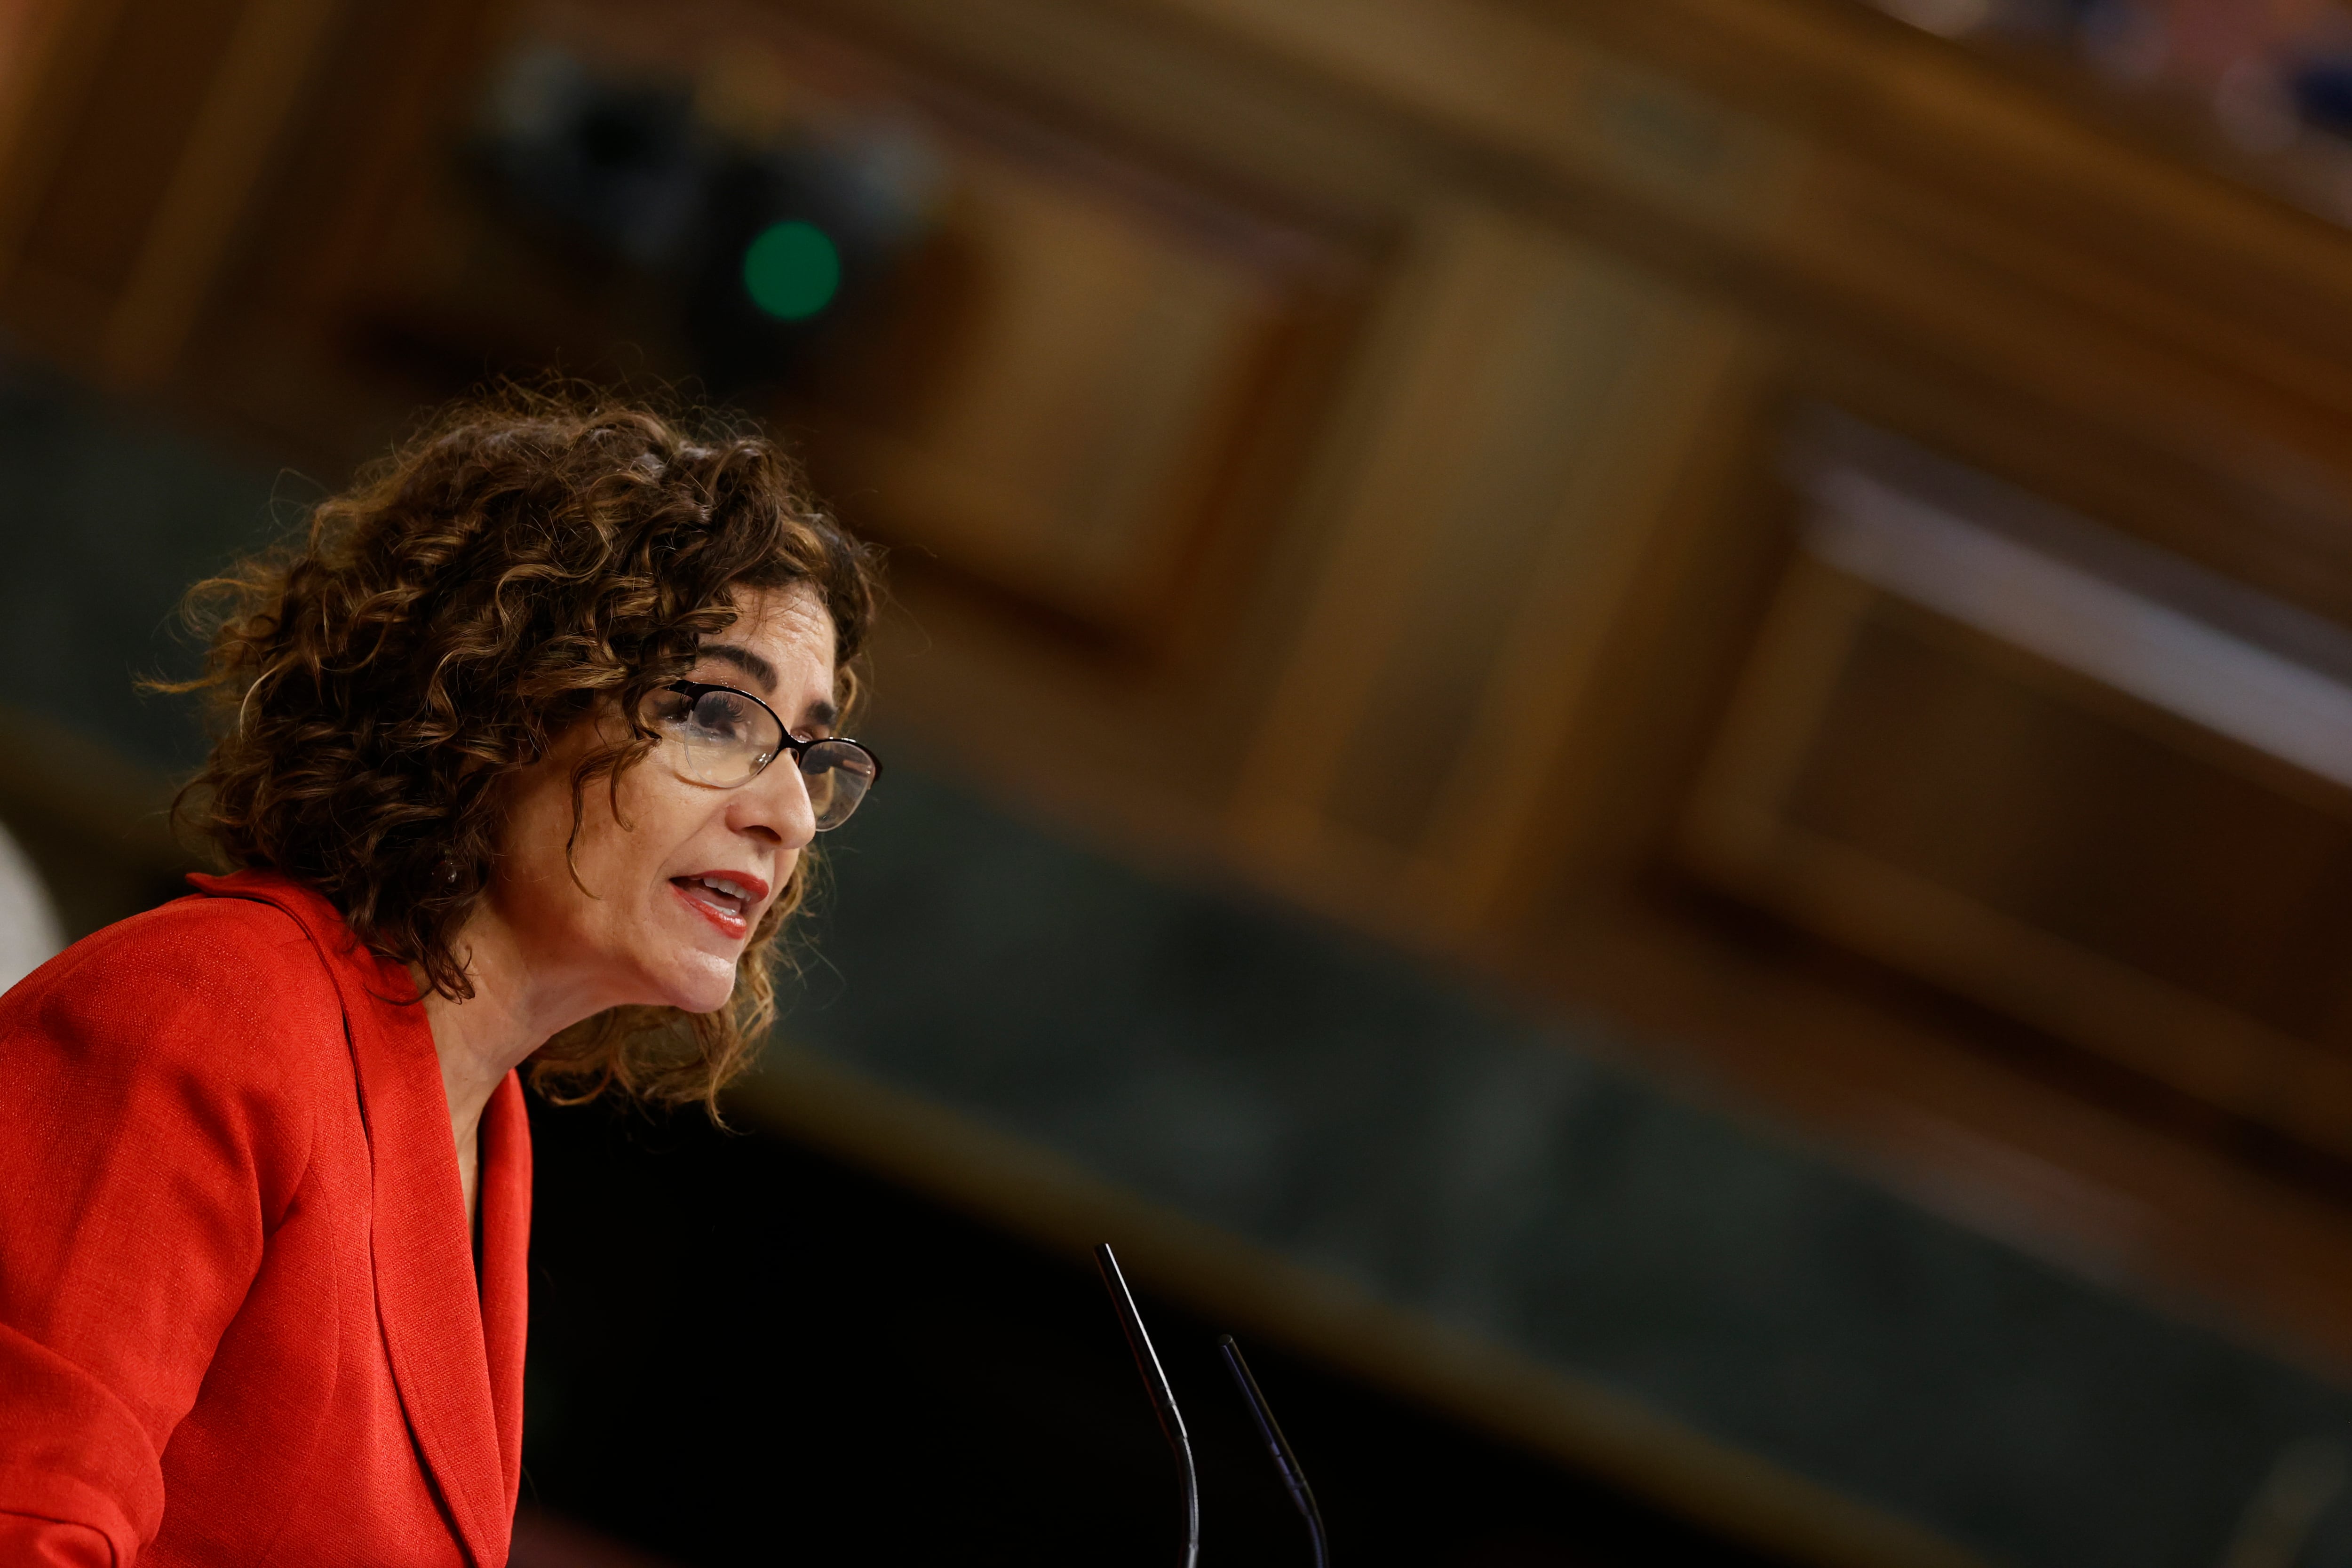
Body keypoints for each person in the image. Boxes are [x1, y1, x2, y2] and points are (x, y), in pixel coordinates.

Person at [0, 394, 882, 1566]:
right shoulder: (203, 1009)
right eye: (717, 711)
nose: (787, 814)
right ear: (498, 702)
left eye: (814, 756)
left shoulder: (485, 1130)